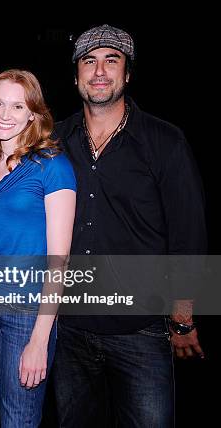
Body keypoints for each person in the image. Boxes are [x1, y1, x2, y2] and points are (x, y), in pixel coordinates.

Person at [51, 24, 207, 427]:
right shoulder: (53, 140)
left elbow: (188, 236)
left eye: (111, 60)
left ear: (127, 73)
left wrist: (183, 319)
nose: (99, 71)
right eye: (89, 61)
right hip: (68, 328)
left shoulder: (165, 141)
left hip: (141, 329)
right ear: (76, 76)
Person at [0, 69, 76, 427]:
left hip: (27, 312)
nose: (5, 114)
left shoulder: (53, 167)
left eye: (17, 106)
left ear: (33, 114)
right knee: (6, 408)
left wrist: (39, 339)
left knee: (19, 418)